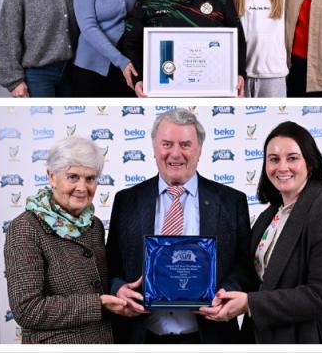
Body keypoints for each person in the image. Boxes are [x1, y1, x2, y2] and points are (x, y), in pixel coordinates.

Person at [199, 121, 322, 343]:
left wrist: (250, 304)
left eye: (292, 158)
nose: (282, 167)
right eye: (274, 159)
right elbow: (258, 278)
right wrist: (223, 293)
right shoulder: (269, 216)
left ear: (310, 163)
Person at [106, 108, 253, 343]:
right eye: (167, 144)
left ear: (199, 150)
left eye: (185, 144)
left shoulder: (231, 201)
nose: (175, 153)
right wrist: (118, 289)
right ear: (154, 148)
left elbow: (244, 266)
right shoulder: (126, 201)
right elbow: (110, 266)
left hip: (209, 337)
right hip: (140, 336)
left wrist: (225, 292)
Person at [4, 136, 128, 343]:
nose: (82, 187)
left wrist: (119, 291)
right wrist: (97, 304)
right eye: (73, 177)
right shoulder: (26, 227)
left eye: (90, 178)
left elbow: (98, 286)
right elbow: (27, 309)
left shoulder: (94, 225)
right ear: (52, 176)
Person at [119, 0, 247, 97]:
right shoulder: (148, 2)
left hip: (212, 89)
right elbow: (131, 43)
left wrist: (239, 73)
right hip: (164, 88)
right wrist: (140, 78)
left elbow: (238, 39)